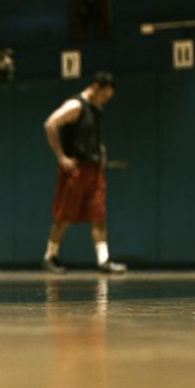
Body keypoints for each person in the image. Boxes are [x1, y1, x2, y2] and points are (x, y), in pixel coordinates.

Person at [42, 71, 126, 275]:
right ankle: (50, 256)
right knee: (64, 215)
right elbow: (50, 124)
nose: (105, 100)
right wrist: (61, 156)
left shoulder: (95, 109)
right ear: (96, 87)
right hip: (76, 170)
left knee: (98, 215)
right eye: (104, 96)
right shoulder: (75, 105)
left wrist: (100, 150)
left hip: (94, 169)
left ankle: (103, 260)